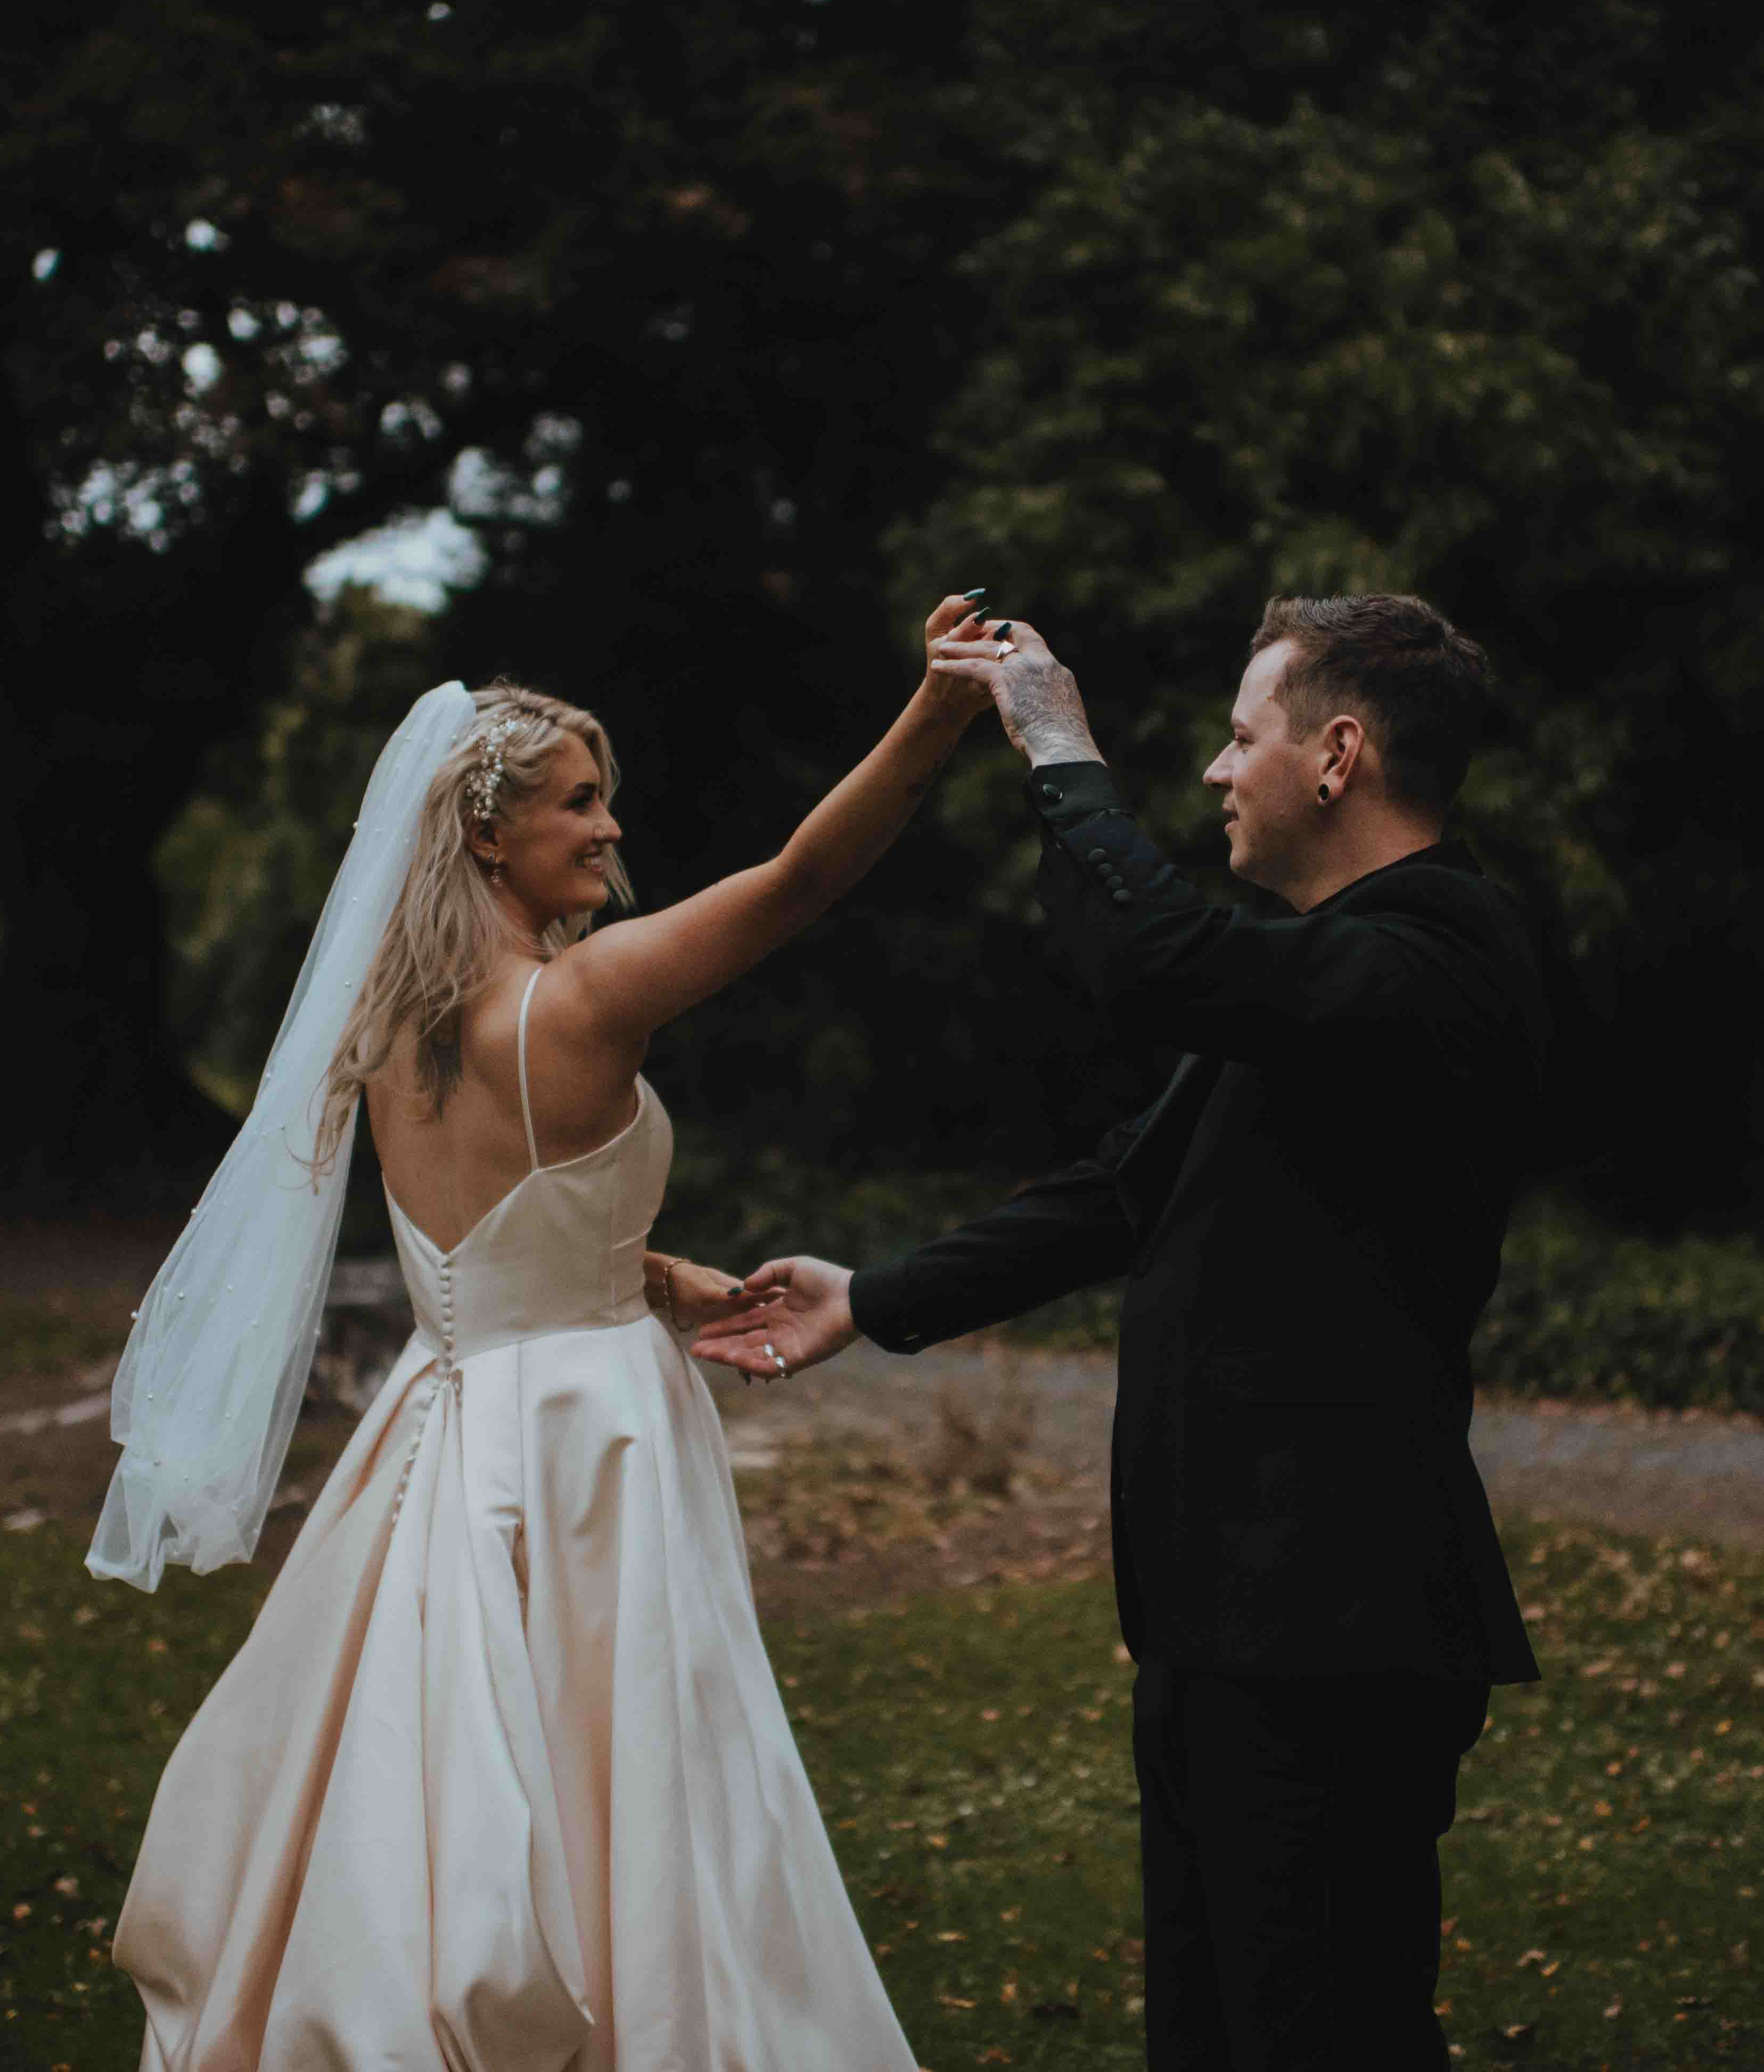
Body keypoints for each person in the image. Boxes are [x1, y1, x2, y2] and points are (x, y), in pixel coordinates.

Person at [91, 599, 1001, 2068]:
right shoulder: (581, 1003)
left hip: (444, 1419)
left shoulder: (384, 1031)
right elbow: (798, 878)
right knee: (627, 1760)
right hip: (593, 1445)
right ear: (483, 836)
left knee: (428, 1771)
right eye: (578, 802)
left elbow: (488, 1240)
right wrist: (935, 719)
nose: (608, 825)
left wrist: (652, 1268)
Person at [694, 593, 1553, 2072]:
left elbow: (1154, 963)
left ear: (1338, 756)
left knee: (1321, 2032)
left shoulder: (1435, 950)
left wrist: (1056, 743)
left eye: (1241, 737)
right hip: (1227, 1615)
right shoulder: (1316, 977)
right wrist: (873, 1298)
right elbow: (1121, 1194)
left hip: (1336, 1623)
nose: (1219, 773)